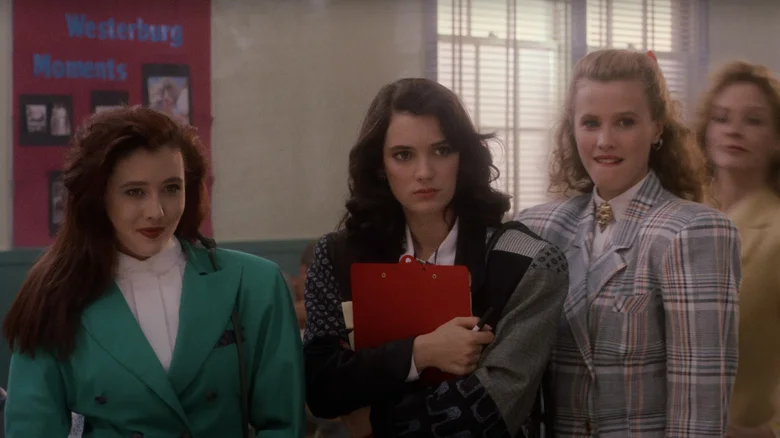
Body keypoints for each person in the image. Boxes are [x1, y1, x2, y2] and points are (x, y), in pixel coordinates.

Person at [2, 106, 305, 437]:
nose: (156, 211)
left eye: (172, 188)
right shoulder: (52, 296)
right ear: (98, 197)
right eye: (135, 192)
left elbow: (283, 425)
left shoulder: (255, 284)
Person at [303, 78, 569, 437]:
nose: (424, 172)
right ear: (380, 165)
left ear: (464, 157)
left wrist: (372, 420)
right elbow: (320, 388)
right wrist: (420, 353)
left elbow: (491, 410)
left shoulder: (529, 262)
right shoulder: (337, 255)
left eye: (442, 151)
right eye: (403, 155)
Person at [515, 49, 741, 437]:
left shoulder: (694, 233)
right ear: (572, 130)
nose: (605, 141)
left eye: (625, 122)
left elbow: (698, 414)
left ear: (656, 128)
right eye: (590, 123)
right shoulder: (536, 227)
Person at [695, 61, 780, 438]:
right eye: (722, 118)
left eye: (753, 120)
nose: (734, 129)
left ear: (777, 139)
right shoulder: (676, 216)